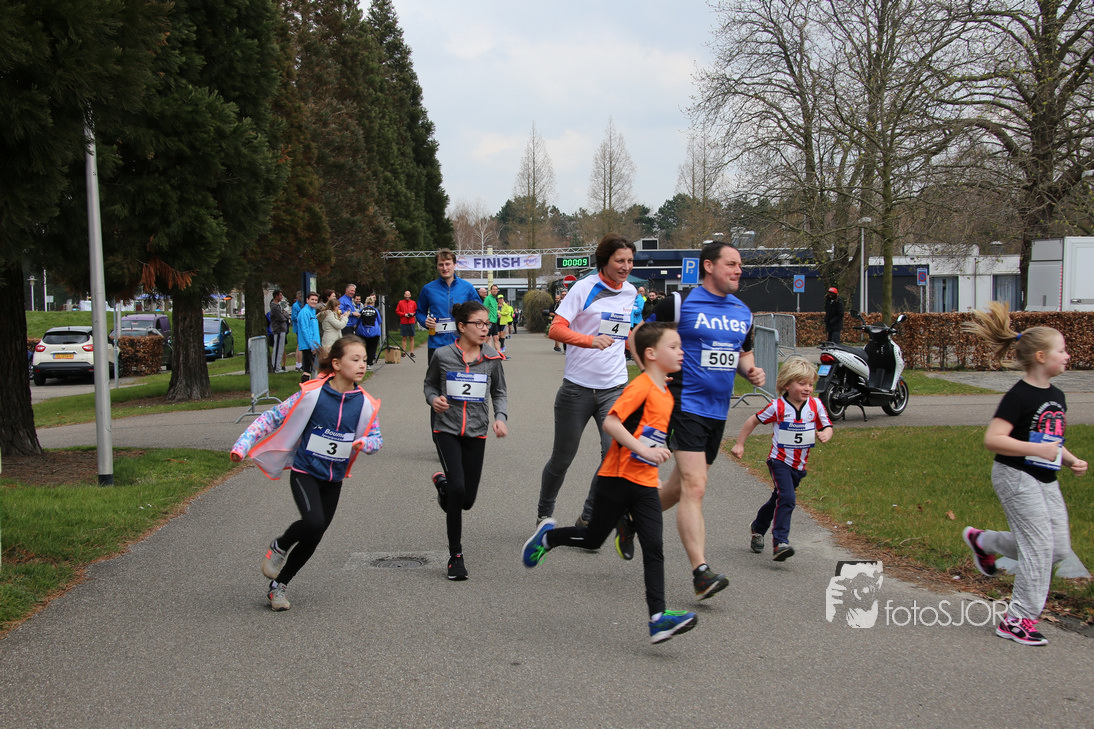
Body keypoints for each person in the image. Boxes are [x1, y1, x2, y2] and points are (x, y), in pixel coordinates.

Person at [522, 322, 698, 645]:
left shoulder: (665, 392)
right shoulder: (641, 387)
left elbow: (650, 433)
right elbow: (612, 423)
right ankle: (548, 538)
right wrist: (645, 450)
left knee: (654, 547)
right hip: (615, 479)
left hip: (644, 483)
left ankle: (658, 619)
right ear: (651, 354)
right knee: (592, 538)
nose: (680, 352)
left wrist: (652, 462)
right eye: (673, 347)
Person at [629, 240, 765, 599]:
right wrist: (651, 377)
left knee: (678, 488)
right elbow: (637, 336)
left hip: (718, 411)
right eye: (731, 264)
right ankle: (700, 573)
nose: (738, 270)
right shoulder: (680, 303)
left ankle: (630, 517)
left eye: (740, 265)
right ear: (709, 266)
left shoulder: (742, 312)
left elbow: (743, 354)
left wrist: (751, 371)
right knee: (696, 487)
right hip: (684, 405)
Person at [959, 301, 1087, 646]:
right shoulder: (1019, 395)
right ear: (1041, 357)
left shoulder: (1057, 395)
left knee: (1058, 548)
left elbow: (1048, 440)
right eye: (1061, 350)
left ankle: (983, 542)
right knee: (1039, 548)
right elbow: (994, 439)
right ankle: (1017, 620)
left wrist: (1070, 459)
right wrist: (1037, 449)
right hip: (1015, 476)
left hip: (1046, 477)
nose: (1067, 355)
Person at [230, 336, 382, 611]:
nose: (362, 364)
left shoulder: (366, 404)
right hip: (306, 472)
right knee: (313, 522)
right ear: (336, 364)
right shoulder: (312, 394)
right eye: (355, 359)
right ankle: (280, 545)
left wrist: (365, 443)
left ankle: (279, 586)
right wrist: (242, 445)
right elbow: (271, 417)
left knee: (315, 534)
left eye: (364, 359)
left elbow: (377, 439)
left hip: (334, 479)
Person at [537, 233, 637, 529]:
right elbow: (555, 330)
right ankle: (544, 513)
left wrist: (649, 361)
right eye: (620, 261)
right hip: (577, 389)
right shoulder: (584, 288)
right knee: (562, 459)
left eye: (630, 261)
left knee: (613, 455)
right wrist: (589, 340)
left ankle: (589, 517)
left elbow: (623, 334)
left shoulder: (630, 291)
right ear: (604, 261)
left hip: (614, 388)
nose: (626, 266)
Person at [424, 301, 508, 581]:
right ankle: (455, 556)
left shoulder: (492, 357)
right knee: (459, 490)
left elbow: (499, 392)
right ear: (462, 327)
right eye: (478, 324)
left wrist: (501, 417)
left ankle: (443, 485)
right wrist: (433, 400)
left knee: (467, 500)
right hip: (445, 429)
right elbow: (429, 385)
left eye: (487, 324)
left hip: (476, 431)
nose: (485, 329)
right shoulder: (442, 355)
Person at [730, 356, 833, 561]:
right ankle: (780, 543)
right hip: (779, 461)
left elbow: (827, 425)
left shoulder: (816, 405)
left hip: (799, 465)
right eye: (802, 383)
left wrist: (825, 434)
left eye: (810, 384)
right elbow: (753, 420)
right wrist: (739, 444)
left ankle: (758, 527)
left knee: (778, 498)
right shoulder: (777, 407)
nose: (807, 388)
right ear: (786, 385)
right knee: (787, 498)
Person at [416, 248, 482, 364]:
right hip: (437, 345)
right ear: (437, 266)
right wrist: (425, 321)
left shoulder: (467, 287)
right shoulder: (428, 289)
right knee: (436, 376)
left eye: (447, 264)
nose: (444, 268)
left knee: (460, 375)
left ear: (454, 265)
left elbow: (479, 311)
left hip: (462, 344)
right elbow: (419, 312)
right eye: (441, 265)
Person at [296, 291, 322, 378]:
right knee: (307, 369)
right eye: (312, 299)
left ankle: (312, 385)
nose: (314, 301)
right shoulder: (304, 312)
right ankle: (305, 386)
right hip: (308, 346)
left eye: (316, 300)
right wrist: (312, 346)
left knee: (312, 368)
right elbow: (305, 330)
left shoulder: (312, 311)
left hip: (314, 345)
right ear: (307, 300)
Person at [357, 294, 382, 368]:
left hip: (362, 332)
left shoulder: (362, 310)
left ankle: (363, 362)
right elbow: (379, 321)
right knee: (372, 348)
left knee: (364, 348)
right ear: (373, 303)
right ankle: (369, 363)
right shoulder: (375, 311)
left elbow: (358, 320)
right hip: (374, 332)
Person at [269, 290, 289, 373]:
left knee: (281, 349)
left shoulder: (280, 306)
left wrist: (284, 315)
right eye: (280, 295)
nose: (281, 297)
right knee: (277, 349)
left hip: (283, 329)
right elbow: (282, 318)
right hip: (278, 329)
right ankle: (275, 367)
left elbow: (286, 315)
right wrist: (284, 316)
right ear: (276, 296)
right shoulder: (274, 307)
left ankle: (278, 366)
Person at [395, 290, 418, 357]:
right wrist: (404, 314)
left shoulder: (413, 302)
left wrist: (413, 314)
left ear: (410, 295)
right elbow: (397, 311)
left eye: (408, 295)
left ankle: (412, 352)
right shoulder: (400, 302)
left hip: (411, 321)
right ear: (404, 295)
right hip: (404, 322)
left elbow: (416, 311)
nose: (407, 296)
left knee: (411, 337)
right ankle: (403, 352)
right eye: (406, 295)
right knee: (404, 337)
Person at [291, 291, 305, 372]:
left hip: (302, 327)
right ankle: (298, 364)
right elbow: (294, 317)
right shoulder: (295, 305)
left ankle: (300, 363)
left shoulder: (302, 305)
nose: (301, 298)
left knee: (301, 345)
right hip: (299, 327)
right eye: (300, 296)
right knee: (300, 345)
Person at [484, 284, 500, 351]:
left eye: (496, 289)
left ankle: (499, 354)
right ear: (491, 290)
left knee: (496, 338)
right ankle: (479, 353)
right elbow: (485, 309)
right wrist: (486, 319)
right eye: (493, 289)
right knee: (486, 338)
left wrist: (497, 314)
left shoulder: (495, 299)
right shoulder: (488, 298)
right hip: (489, 322)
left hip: (495, 321)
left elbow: (493, 309)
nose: (495, 291)